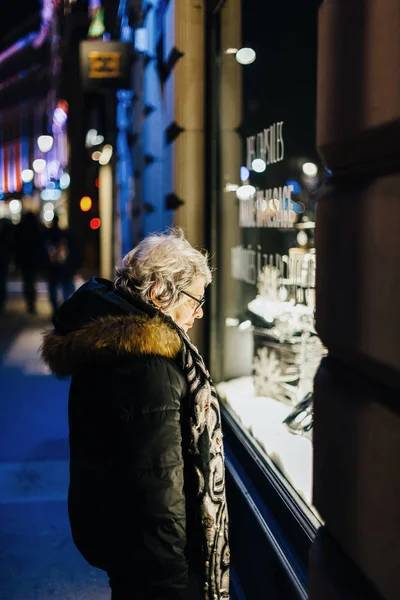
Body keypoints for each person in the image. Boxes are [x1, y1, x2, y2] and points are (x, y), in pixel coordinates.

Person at [40, 229, 230, 600]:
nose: (199, 312)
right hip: (151, 559)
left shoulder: (114, 342)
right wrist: (171, 581)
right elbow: (157, 483)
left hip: (122, 538)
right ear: (160, 294)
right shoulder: (148, 365)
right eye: (195, 299)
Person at [42, 214, 82, 316]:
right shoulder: (65, 235)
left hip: (53, 268)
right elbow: (74, 251)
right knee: (66, 288)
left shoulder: (47, 235)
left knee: (53, 289)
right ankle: (64, 310)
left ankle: (56, 310)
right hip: (65, 268)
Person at [14, 211, 43, 314]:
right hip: (33, 259)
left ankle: (29, 302)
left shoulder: (21, 229)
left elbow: (17, 246)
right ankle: (32, 302)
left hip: (25, 260)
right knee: (31, 281)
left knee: (27, 281)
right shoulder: (36, 228)